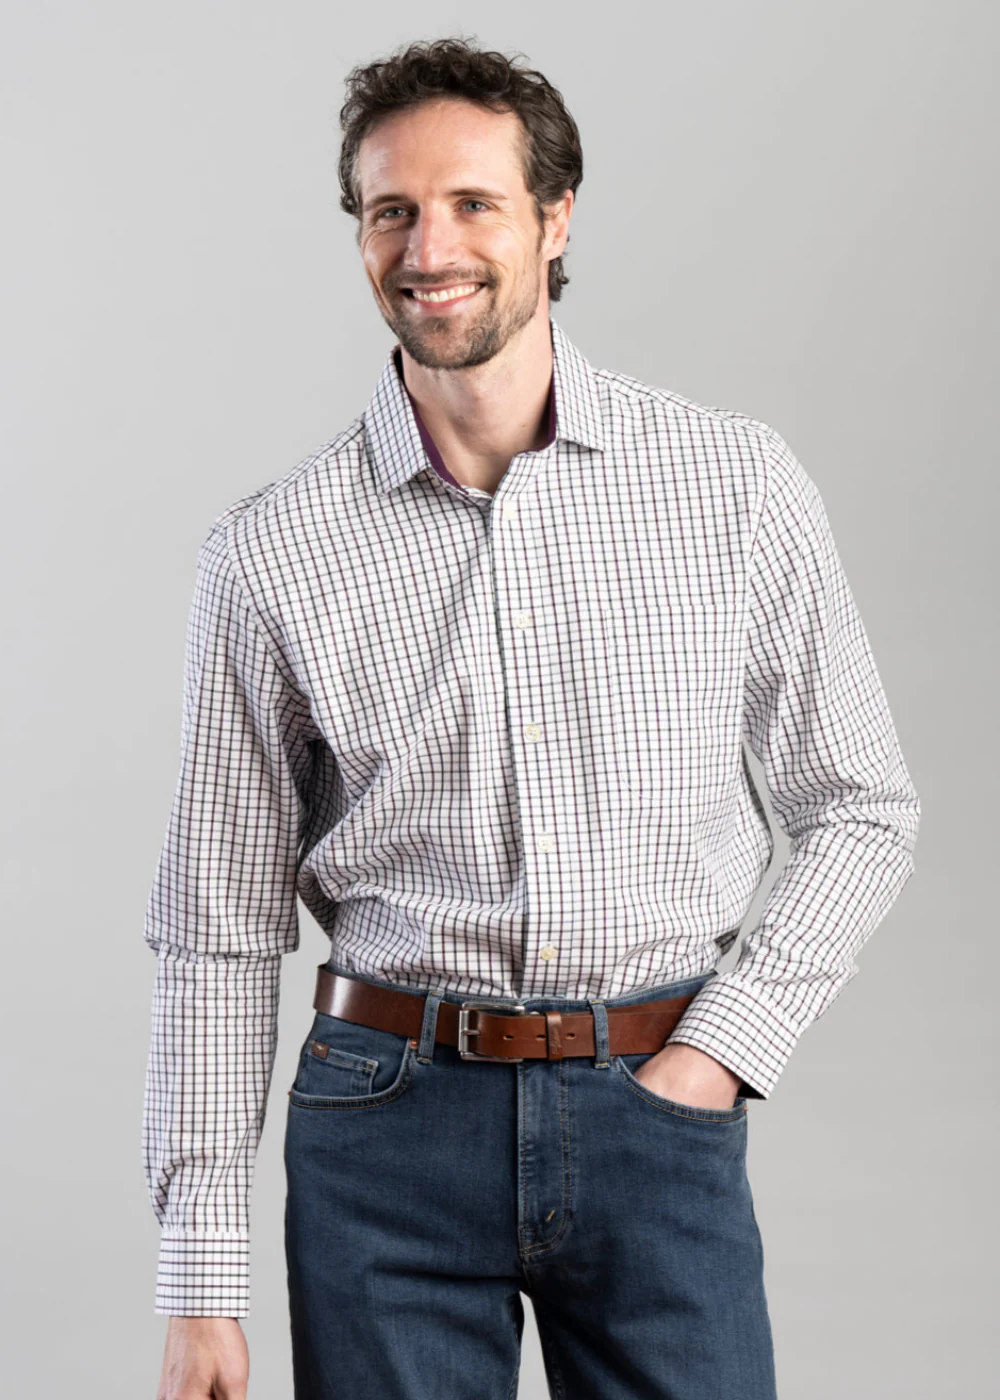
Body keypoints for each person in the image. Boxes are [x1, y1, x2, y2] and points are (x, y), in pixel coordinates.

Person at [144, 36, 921, 1400]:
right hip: (385, 1129)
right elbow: (217, 922)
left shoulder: (732, 487)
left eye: (472, 203)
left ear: (556, 218)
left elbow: (861, 806)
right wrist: (200, 1280)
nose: (428, 248)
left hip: (656, 1109)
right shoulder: (272, 551)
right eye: (391, 210)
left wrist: (722, 1054)